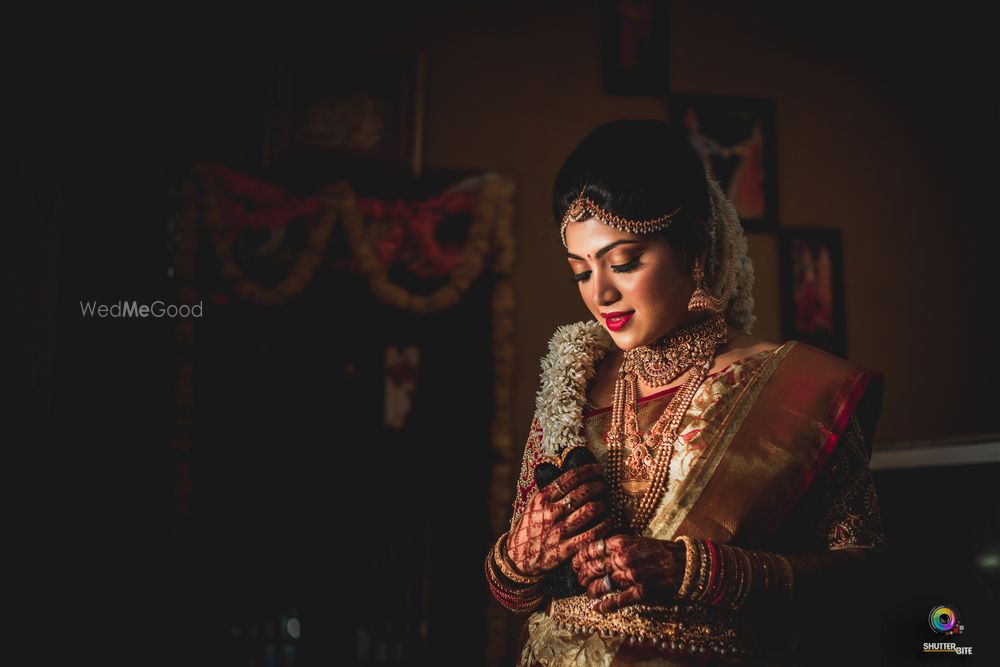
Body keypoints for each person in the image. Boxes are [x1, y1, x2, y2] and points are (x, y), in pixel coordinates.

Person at [483, 120, 886, 666]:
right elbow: (515, 595)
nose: (601, 293)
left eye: (624, 262)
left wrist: (696, 572)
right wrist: (520, 557)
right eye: (581, 271)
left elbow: (864, 577)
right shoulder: (573, 384)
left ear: (693, 244)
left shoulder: (797, 389)